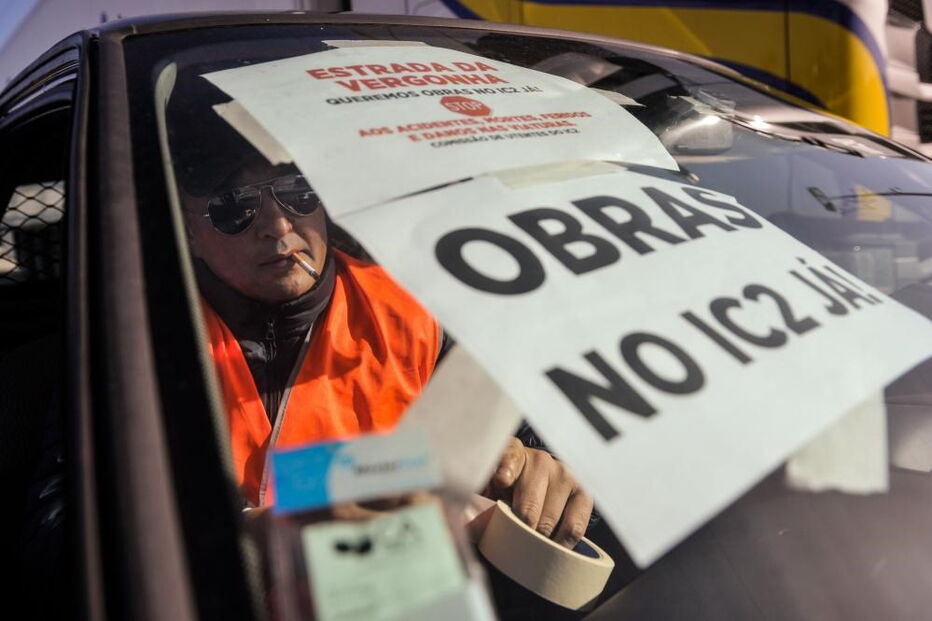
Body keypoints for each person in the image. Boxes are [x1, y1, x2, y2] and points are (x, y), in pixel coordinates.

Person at [177, 148, 594, 548]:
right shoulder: (144, 339)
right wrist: (247, 544)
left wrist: (535, 468)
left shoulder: (416, 311)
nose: (279, 225)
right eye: (233, 206)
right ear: (188, 230)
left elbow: (523, 444)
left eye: (297, 191)